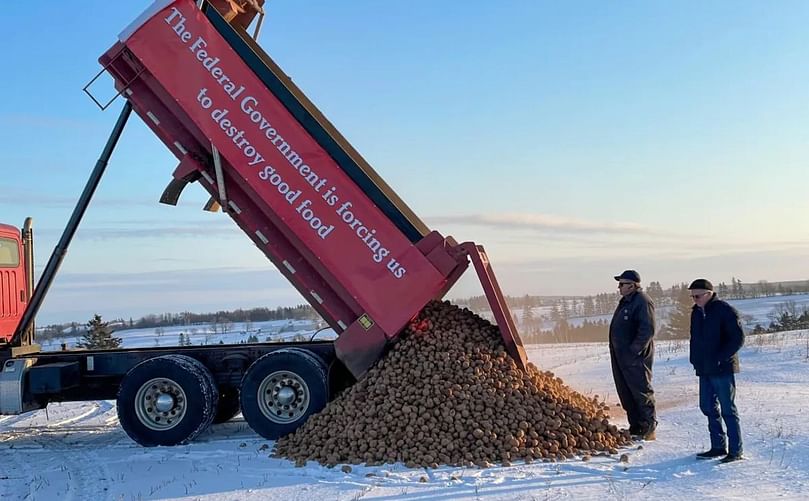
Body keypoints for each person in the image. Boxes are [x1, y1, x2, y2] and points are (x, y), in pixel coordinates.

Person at [688, 278, 745, 463]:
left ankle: (735, 451)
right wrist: (694, 359)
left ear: (709, 293)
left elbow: (737, 338)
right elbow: (694, 339)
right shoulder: (696, 313)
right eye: (692, 296)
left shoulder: (724, 310)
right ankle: (718, 446)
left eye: (697, 296)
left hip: (722, 369)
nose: (695, 299)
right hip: (704, 369)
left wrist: (721, 358)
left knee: (728, 409)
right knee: (707, 407)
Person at [608, 270, 657, 440]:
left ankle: (648, 426)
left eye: (621, 284)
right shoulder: (626, 301)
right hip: (620, 356)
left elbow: (647, 329)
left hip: (635, 358)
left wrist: (634, 351)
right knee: (626, 391)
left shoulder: (642, 301)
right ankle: (636, 426)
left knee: (641, 390)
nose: (619, 287)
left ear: (632, 285)